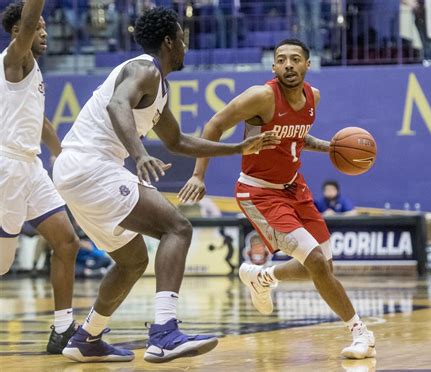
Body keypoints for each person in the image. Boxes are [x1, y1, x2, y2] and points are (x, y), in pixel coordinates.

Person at [53, 7, 279, 363]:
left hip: (77, 172)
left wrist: (237, 147)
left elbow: (178, 142)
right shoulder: (143, 68)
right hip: (90, 166)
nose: (186, 45)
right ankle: (164, 333)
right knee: (178, 227)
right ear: (169, 41)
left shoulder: (159, 87)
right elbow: (116, 105)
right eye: (183, 37)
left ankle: (87, 337)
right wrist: (139, 154)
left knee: (132, 261)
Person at [179, 38, 376, 360]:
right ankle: (361, 332)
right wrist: (198, 175)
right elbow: (214, 125)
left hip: (294, 187)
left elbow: (296, 136)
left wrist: (330, 147)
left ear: (307, 65)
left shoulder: (314, 97)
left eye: (295, 59)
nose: (288, 65)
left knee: (323, 266)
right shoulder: (261, 97)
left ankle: (263, 276)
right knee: (314, 261)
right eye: (281, 59)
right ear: (273, 67)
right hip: (258, 191)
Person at [0, 0, 80, 354]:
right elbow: (30, 17)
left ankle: (63, 329)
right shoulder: (13, 60)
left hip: (31, 168)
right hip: (7, 168)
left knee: (67, 242)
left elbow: (41, 121)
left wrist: (61, 155)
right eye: (39, 27)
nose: (44, 32)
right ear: (20, 33)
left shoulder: (31, 72)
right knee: (1, 267)